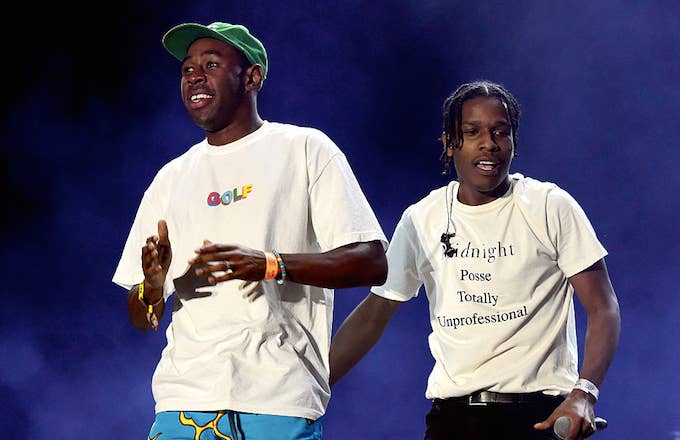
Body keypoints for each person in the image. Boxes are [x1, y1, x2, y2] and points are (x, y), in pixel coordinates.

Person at [112, 21, 388, 440]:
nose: (194, 77)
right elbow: (141, 316)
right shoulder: (171, 178)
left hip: (276, 402)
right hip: (183, 406)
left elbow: (372, 262)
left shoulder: (305, 149)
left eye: (211, 63)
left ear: (252, 77)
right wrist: (151, 285)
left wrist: (271, 264)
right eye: (187, 69)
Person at [329, 80, 621, 440]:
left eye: (501, 132)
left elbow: (603, 307)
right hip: (453, 420)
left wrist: (584, 393)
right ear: (450, 143)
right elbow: (375, 312)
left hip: (539, 416)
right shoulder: (423, 218)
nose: (489, 143)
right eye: (472, 132)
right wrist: (314, 385)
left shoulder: (549, 205)